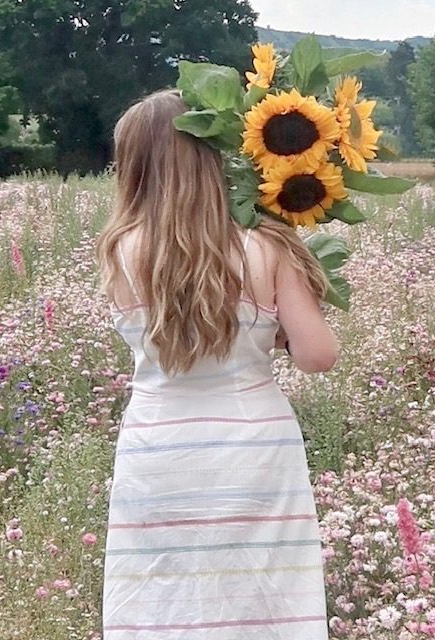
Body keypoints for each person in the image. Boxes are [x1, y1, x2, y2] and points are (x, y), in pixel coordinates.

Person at [95, 88, 338, 639]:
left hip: (159, 444)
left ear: (131, 169)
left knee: (165, 589)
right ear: (215, 158)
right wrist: (271, 333)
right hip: (253, 444)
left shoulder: (120, 253)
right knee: (261, 593)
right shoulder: (266, 247)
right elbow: (318, 355)